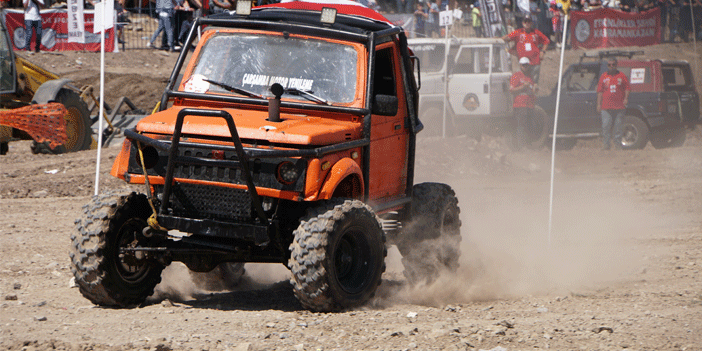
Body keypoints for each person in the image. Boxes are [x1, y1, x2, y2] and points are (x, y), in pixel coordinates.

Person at [502, 17, 550, 83]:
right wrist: (499, 38)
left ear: (531, 23)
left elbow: (546, 41)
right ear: (522, 23)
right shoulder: (518, 32)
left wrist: (543, 51)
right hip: (523, 64)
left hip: (535, 62)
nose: (527, 23)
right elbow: (507, 38)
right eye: (525, 22)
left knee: (534, 83)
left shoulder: (536, 32)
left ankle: (533, 92)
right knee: (523, 82)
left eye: (529, 22)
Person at [596, 58, 630, 150]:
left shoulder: (621, 75)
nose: (611, 66)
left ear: (616, 65)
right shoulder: (604, 76)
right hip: (606, 107)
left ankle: (618, 145)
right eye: (609, 65)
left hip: (619, 107)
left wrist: (626, 98)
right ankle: (606, 146)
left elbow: (627, 88)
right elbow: (600, 91)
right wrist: (598, 104)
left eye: (613, 64)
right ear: (607, 66)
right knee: (606, 126)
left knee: (618, 127)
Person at [509, 57, 539, 150]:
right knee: (521, 125)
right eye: (523, 65)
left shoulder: (529, 77)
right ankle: (521, 146)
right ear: (520, 65)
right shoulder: (516, 76)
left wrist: (535, 88)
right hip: (520, 105)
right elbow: (512, 89)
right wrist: (522, 87)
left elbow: (533, 91)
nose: (525, 67)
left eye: (526, 65)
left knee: (529, 125)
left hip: (529, 105)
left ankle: (528, 145)